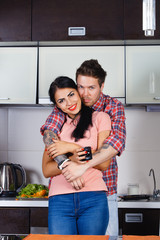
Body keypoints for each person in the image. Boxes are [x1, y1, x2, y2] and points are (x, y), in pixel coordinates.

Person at [40, 59, 126, 239]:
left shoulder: (110, 110)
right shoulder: (63, 110)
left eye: (91, 88)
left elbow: (112, 148)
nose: (84, 94)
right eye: (80, 87)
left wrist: (71, 149)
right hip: (60, 195)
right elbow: (49, 136)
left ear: (101, 86)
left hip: (102, 190)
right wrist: (67, 164)